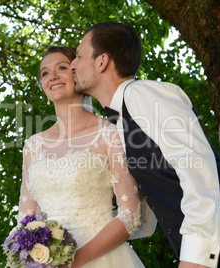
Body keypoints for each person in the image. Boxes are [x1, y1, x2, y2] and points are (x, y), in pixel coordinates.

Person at [70, 21, 220, 268]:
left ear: (101, 61)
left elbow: (196, 167)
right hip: (211, 241)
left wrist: (195, 259)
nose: (73, 64)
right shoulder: (117, 123)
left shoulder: (144, 94)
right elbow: (145, 211)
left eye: (78, 55)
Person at [17, 46, 147, 268]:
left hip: (102, 259)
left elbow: (131, 214)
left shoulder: (109, 134)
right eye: (45, 73)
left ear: (77, 73)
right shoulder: (33, 145)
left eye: (62, 68)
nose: (53, 76)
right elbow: (26, 215)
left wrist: (75, 261)